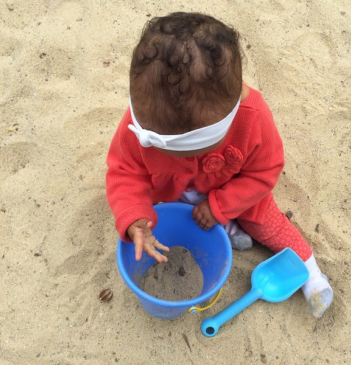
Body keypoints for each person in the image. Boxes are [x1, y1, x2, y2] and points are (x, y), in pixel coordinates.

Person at [106, 12, 333, 318]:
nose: (180, 159)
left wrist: (221, 206)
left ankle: (311, 272)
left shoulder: (252, 119)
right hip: (168, 193)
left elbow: (263, 173)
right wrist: (134, 219)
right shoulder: (142, 123)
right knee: (161, 220)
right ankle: (228, 230)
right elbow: (124, 171)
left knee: (267, 221)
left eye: (186, 150)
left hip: (230, 189)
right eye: (161, 146)